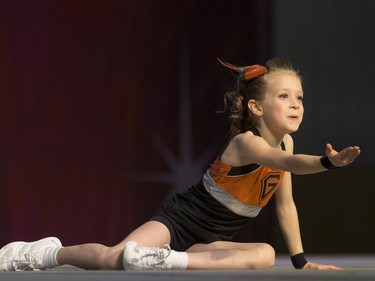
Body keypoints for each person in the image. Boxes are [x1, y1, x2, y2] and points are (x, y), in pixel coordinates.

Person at [0, 58, 360, 271]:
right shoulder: (245, 143)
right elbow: (288, 163)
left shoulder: (287, 141)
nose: (296, 103)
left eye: (299, 96)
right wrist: (327, 162)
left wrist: (300, 260)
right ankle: (45, 252)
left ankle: (168, 261)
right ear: (256, 107)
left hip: (214, 242)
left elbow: (286, 205)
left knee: (266, 254)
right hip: (180, 221)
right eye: (284, 96)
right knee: (116, 258)